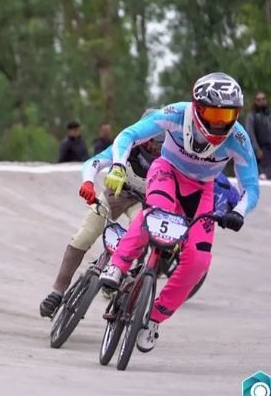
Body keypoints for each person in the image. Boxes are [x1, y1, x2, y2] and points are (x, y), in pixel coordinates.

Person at [99, 72, 259, 353]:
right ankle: (118, 265)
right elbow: (129, 134)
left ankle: (155, 319)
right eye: (213, 113)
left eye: (228, 115)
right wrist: (118, 165)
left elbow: (251, 187)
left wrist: (240, 212)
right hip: (167, 172)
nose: (220, 123)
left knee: (199, 261)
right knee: (156, 214)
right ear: (197, 107)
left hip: (202, 191)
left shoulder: (239, 138)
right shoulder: (174, 113)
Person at [39, 123, 162, 318]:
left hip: (142, 203)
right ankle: (58, 291)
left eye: (161, 143)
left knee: (139, 233)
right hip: (113, 196)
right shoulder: (126, 145)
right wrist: (88, 182)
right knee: (84, 236)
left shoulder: (171, 156)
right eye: (152, 141)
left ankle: (119, 276)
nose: (156, 147)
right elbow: (95, 162)